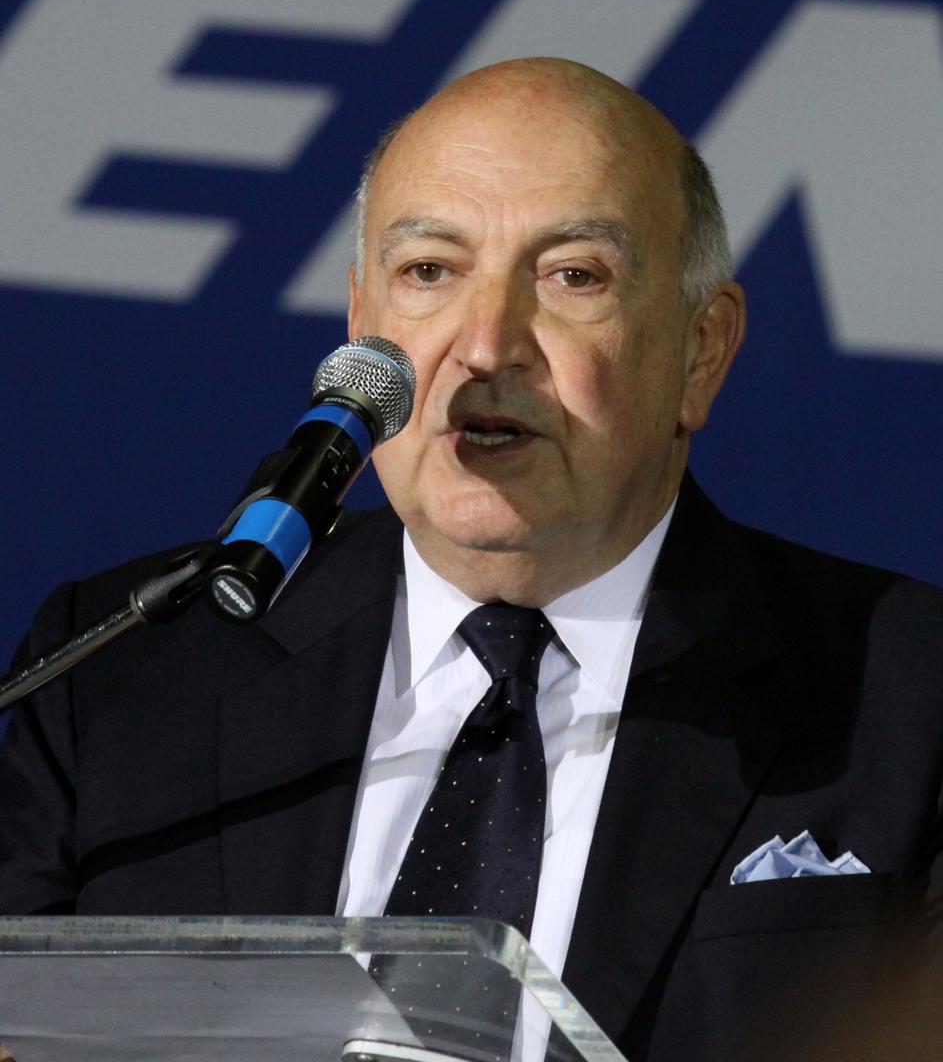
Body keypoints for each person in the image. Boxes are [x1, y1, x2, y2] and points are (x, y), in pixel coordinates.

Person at [0, 58, 940, 1061]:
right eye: (430, 271)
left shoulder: (911, 698)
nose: (486, 344)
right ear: (363, 328)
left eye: (572, 275)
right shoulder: (121, 675)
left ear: (699, 350)